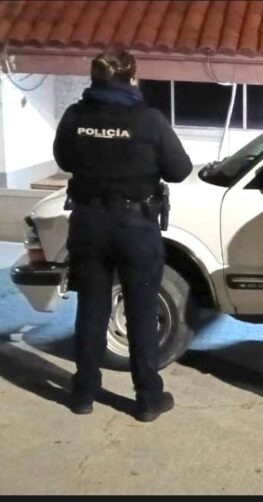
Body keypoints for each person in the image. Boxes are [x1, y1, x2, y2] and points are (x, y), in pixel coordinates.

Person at [53, 48, 192, 421]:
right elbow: (180, 170)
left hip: (88, 223)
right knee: (141, 312)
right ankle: (147, 398)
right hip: (135, 226)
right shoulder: (148, 120)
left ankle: (83, 393)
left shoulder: (75, 116)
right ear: (132, 76)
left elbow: (64, 160)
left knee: (91, 309)